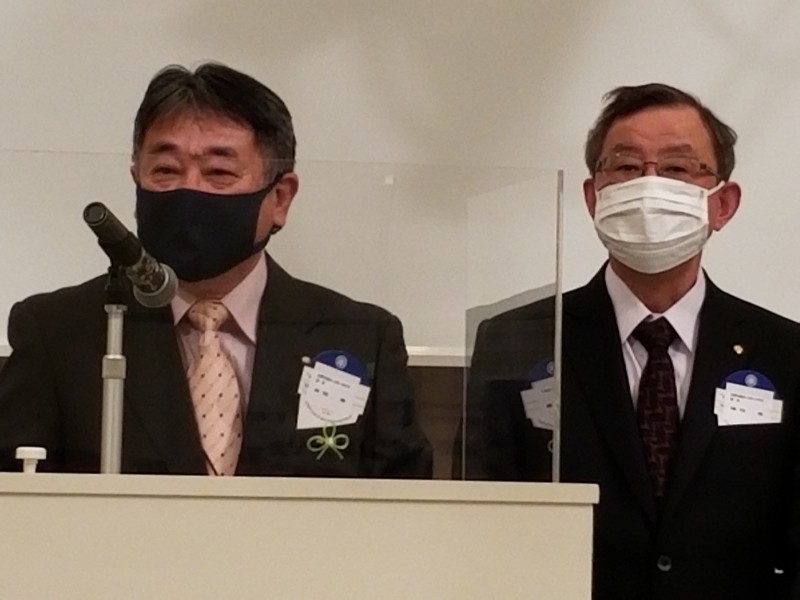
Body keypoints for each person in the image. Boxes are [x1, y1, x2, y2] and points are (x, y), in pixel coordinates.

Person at [0, 62, 432, 478]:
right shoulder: (58, 332)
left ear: (280, 198)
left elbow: (405, 505)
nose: (189, 189)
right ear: (136, 180)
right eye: (165, 170)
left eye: (218, 172)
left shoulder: (360, 337)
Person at [461, 84, 800, 599]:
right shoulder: (518, 338)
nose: (649, 185)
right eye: (625, 167)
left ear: (723, 204)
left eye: (678, 168)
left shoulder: (785, 352)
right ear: (593, 197)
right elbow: (482, 525)